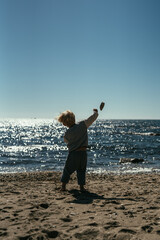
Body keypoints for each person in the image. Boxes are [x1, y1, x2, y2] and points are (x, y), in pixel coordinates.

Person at [57, 108, 98, 192]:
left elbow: (66, 141)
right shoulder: (82, 125)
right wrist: (95, 112)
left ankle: (63, 186)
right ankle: (81, 187)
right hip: (83, 153)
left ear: (65, 123)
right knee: (81, 170)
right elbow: (92, 118)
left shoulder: (67, 133)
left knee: (67, 170)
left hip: (73, 154)